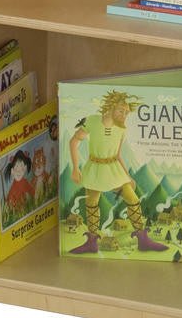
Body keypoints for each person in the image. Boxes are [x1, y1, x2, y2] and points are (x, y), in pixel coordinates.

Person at [68, 89, 167, 255]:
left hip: (114, 169)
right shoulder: (92, 121)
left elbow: (118, 155)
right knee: (92, 203)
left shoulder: (121, 129)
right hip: (95, 169)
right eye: (122, 111)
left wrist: (128, 177)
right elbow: (74, 141)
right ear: (111, 107)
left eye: (127, 113)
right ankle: (91, 243)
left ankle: (143, 240)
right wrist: (75, 168)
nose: (124, 115)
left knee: (133, 199)